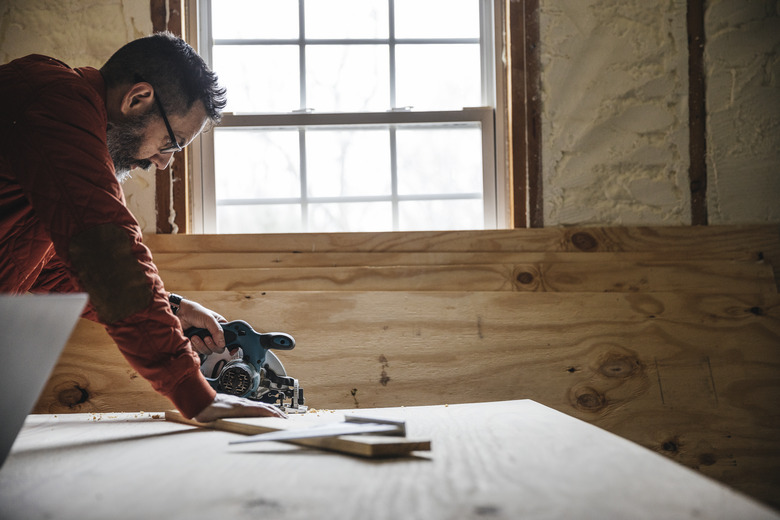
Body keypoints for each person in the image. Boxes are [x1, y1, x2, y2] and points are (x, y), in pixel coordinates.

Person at [0, 32, 285, 422]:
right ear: (137, 99)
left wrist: (174, 309)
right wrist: (197, 397)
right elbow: (107, 255)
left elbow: (46, 270)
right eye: (171, 142)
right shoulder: (56, 104)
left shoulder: (51, 115)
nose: (165, 162)